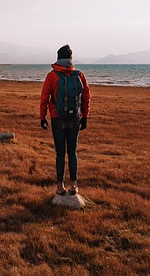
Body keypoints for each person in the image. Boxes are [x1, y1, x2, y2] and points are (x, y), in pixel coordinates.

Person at [40, 44, 91, 195]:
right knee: (73, 152)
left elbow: (44, 98)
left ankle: (60, 186)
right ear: (70, 58)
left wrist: (42, 117)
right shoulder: (79, 75)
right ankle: (74, 185)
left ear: (58, 58)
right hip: (75, 118)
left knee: (60, 153)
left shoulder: (52, 75)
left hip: (57, 118)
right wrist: (85, 116)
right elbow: (86, 97)